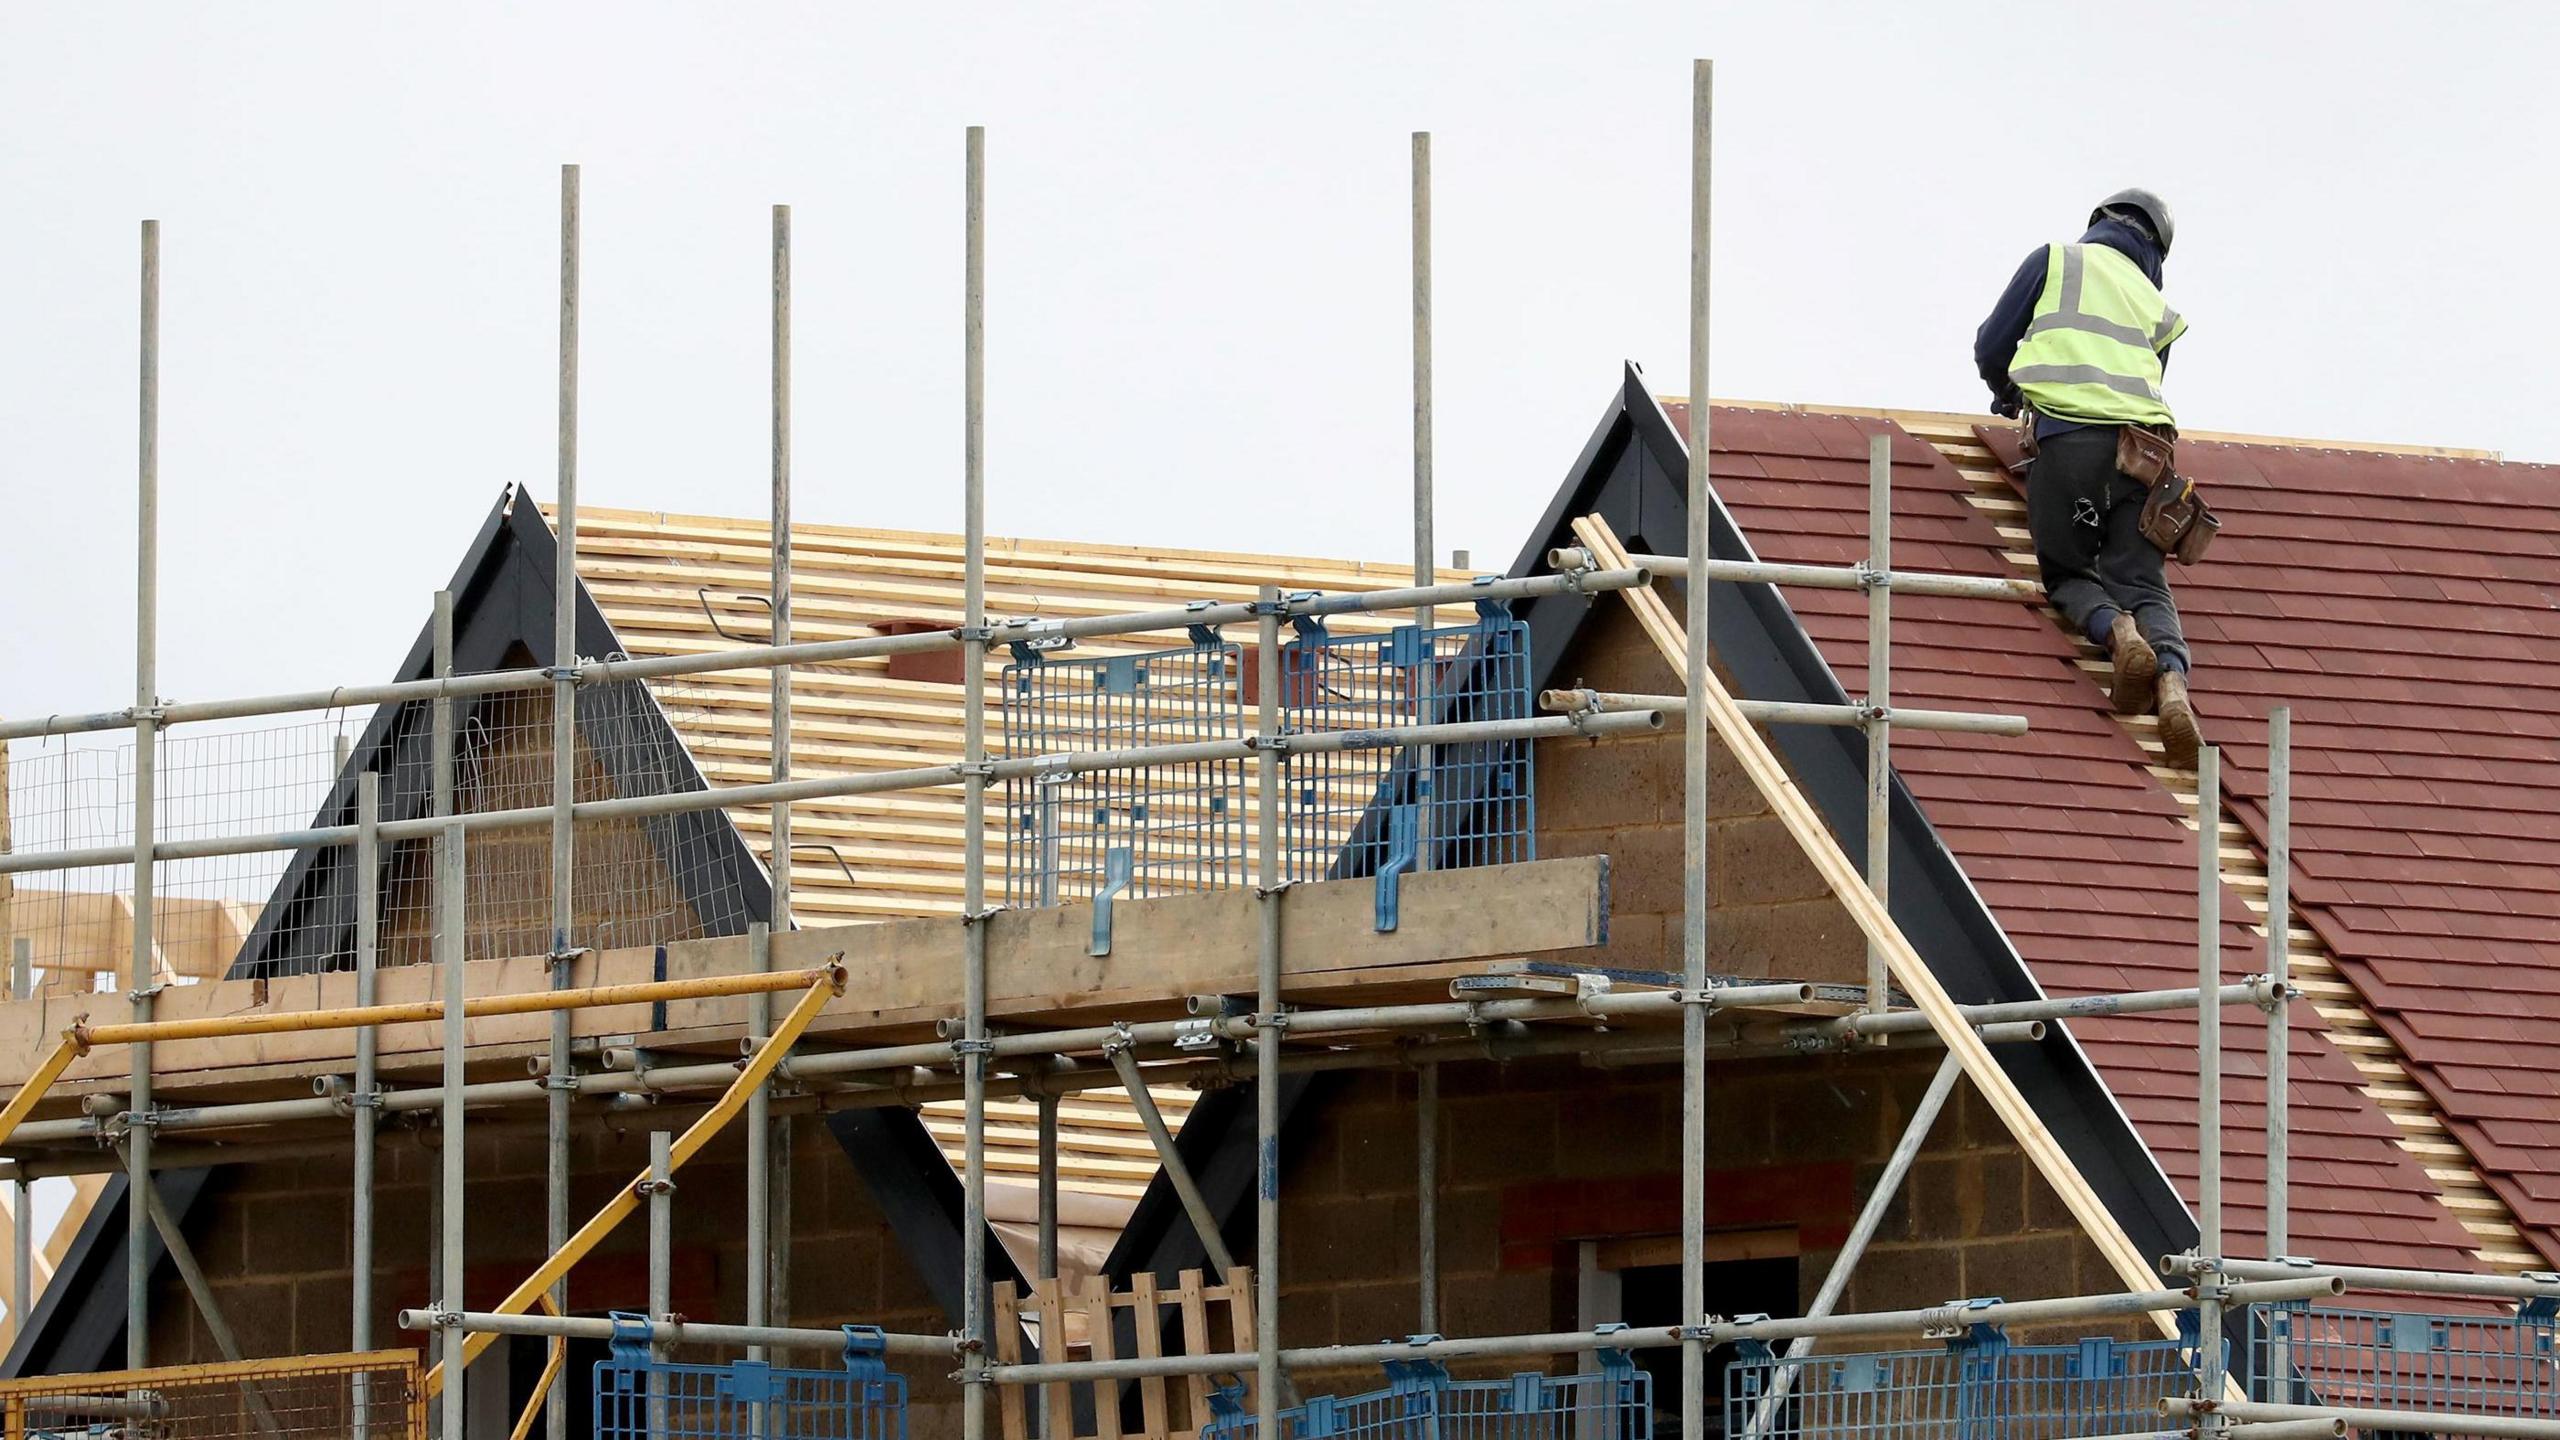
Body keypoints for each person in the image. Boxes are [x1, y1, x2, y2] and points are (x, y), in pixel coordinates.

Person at [1974, 188, 2203, 768]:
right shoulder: (2158, 306)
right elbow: (2146, 387)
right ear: (2155, 251)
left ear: (2099, 223)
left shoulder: (2055, 260)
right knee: (2141, 574)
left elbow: (1991, 346)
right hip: (2147, 453)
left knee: (2070, 568)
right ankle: (2172, 683)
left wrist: (2011, 397)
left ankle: (2118, 634)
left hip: (2071, 439)